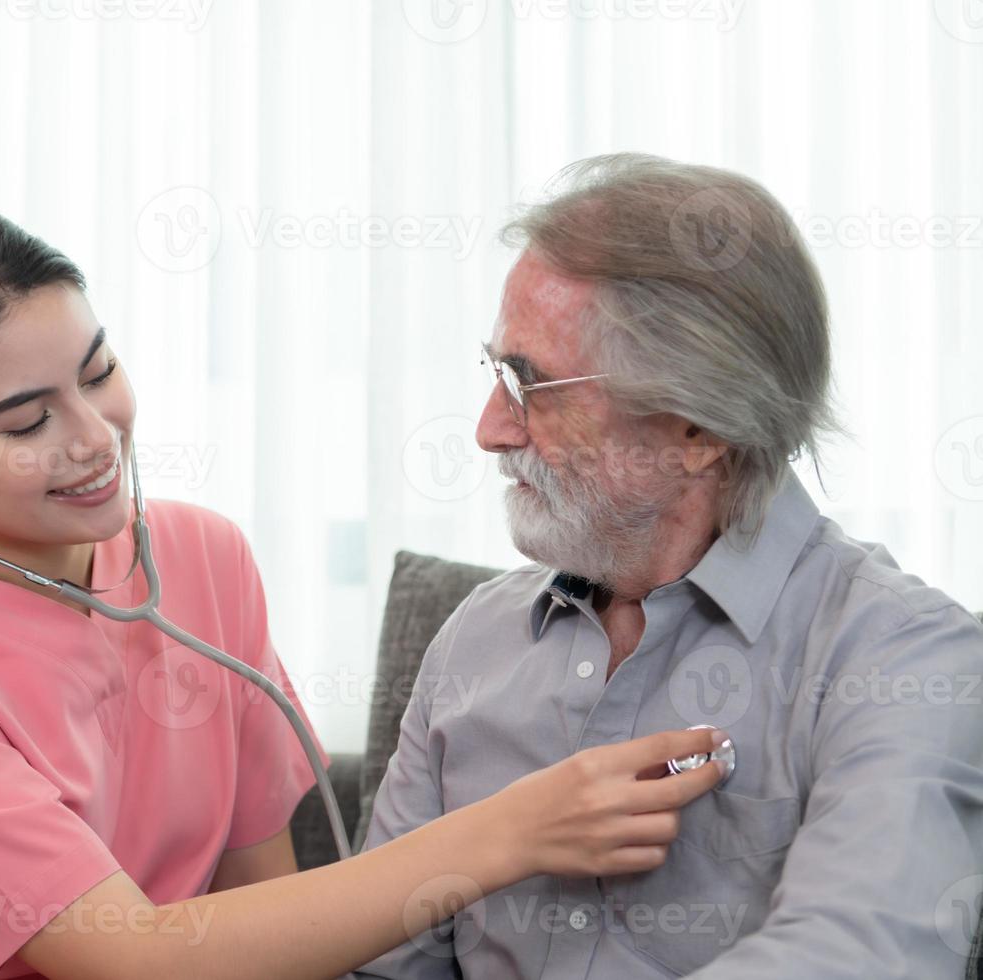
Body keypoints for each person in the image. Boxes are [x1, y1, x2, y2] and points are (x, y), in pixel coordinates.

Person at [0, 204, 726, 980]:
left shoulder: (202, 559)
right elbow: (129, 955)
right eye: (25, 422)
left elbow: (263, 907)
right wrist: (517, 827)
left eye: (98, 371)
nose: (95, 435)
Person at [351, 154, 983, 979]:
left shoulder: (908, 661)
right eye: (494, 370)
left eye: (531, 384)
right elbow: (379, 960)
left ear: (699, 430)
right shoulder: (473, 643)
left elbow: (853, 956)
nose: (489, 430)